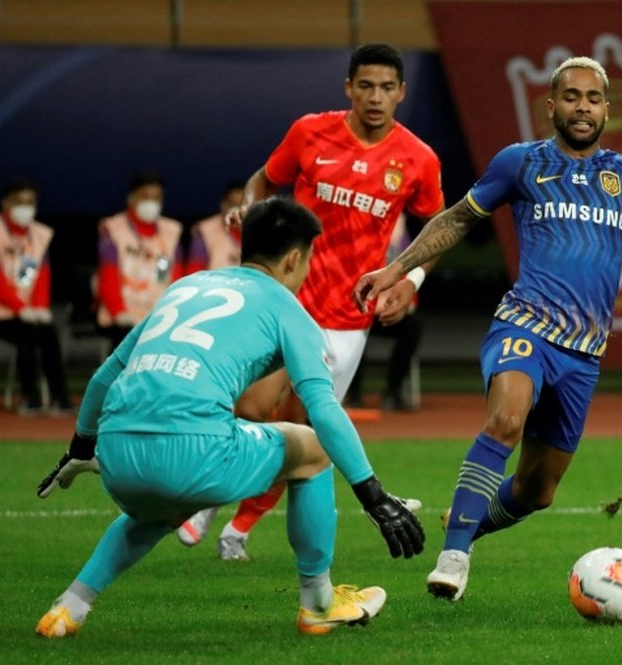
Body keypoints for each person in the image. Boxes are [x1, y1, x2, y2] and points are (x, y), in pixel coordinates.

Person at [354, 56, 622, 602]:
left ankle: (463, 523)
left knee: (537, 490)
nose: (582, 107)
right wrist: (396, 268)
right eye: (571, 96)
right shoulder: (520, 163)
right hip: (524, 325)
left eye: (592, 98)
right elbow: (457, 219)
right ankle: (454, 556)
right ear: (552, 106)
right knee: (506, 420)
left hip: (584, 352)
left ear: (606, 108)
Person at [33, 197, 425, 639]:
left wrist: (81, 449)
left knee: (158, 510)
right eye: (308, 260)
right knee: (312, 448)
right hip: (191, 452)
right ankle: (318, 602)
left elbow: (105, 378)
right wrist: (372, 494)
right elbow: (322, 406)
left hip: (117, 454)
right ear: (295, 257)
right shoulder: (285, 306)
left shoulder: (185, 287)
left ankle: (70, 606)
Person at [176, 43, 444, 559]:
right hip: (286, 299)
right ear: (348, 88)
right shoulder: (309, 132)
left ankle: (238, 527)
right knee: (250, 406)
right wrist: (248, 207)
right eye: (365, 85)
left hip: (348, 316)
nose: (375, 97)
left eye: (387, 88)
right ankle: (211, 498)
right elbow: (264, 179)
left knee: (302, 431)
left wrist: (410, 282)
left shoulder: (418, 159)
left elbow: (437, 231)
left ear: (402, 93)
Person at [0, 175, 72, 415]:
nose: (25, 207)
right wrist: (19, 308)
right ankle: (31, 399)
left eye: (30, 202)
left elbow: (41, 277)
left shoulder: (39, 235)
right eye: (19, 201)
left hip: (26, 313)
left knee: (48, 332)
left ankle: (60, 398)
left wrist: (40, 307)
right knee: (27, 334)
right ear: (6, 203)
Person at [96, 170, 184, 350]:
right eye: (145, 197)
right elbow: (108, 278)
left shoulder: (170, 234)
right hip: (122, 316)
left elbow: (175, 282)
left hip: (160, 315)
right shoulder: (114, 231)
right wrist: (119, 312)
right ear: (132, 198)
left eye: (156, 198)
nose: (151, 203)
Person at [347, 214, 423, 411]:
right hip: (360, 309)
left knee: (413, 326)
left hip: (388, 311)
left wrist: (397, 305)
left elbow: (409, 282)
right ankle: (353, 394)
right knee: (352, 331)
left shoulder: (405, 246)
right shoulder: (358, 238)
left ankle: (393, 392)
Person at [184, 181, 245, 274]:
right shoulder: (205, 232)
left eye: (242, 205)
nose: (238, 210)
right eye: (233, 204)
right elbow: (194, 274)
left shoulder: (264, 232)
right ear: (223, 205)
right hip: (215, 287)